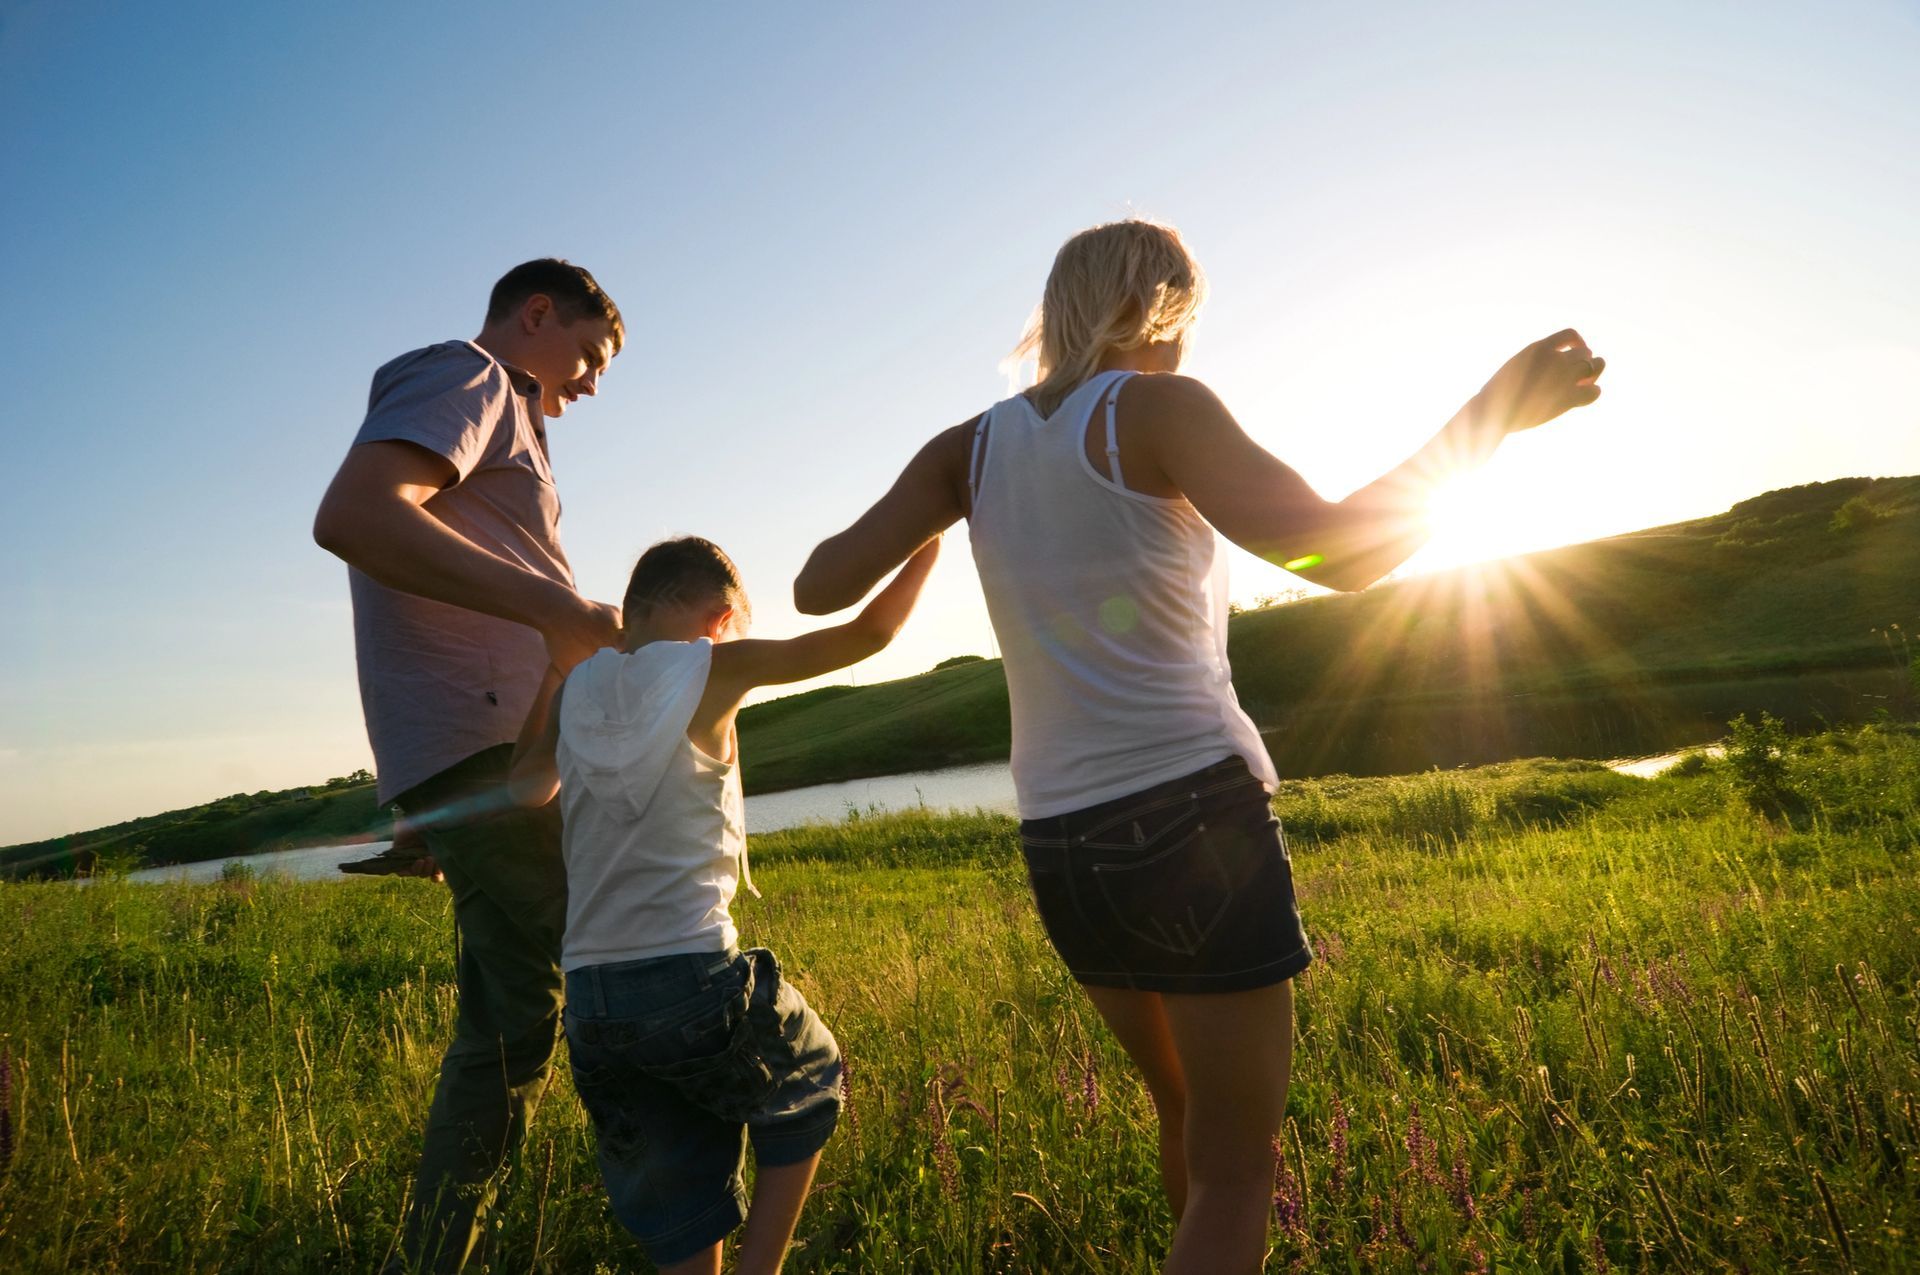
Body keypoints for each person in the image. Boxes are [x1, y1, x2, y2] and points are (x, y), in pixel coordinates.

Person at [791, 219, 1604, 1274]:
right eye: (1187, 323)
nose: (1187, 348)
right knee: (1237, 1171)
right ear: (1157, 309)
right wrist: (1490, 417)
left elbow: (817, 586)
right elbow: (1342, 551)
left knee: (1185, 1124)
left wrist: (952, 508)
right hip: (1192, 819)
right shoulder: (1159, 407)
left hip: (1061, 844)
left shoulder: (970, 449)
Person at [506, 534, 940, 1275]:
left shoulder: (578, 686)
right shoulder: (712, 666)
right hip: (690, 977)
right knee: (812, 1077)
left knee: (682, 1206)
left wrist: (558, 665)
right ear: (720, 617)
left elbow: (525, 785)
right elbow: (869, 632)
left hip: (592, 1000)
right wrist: (927, 540)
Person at [311, 258, 626, 1272]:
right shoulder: (469, 376)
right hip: (491, 749)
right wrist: (558, 611)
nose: (592, 382)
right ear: (536, 314)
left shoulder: (505, 422)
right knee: (628, 968)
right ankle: (691, 1219)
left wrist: (430, 796)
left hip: (490, 758)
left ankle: (437, 1250)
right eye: (589, 353)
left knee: (509, 1021)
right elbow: (357, 516)